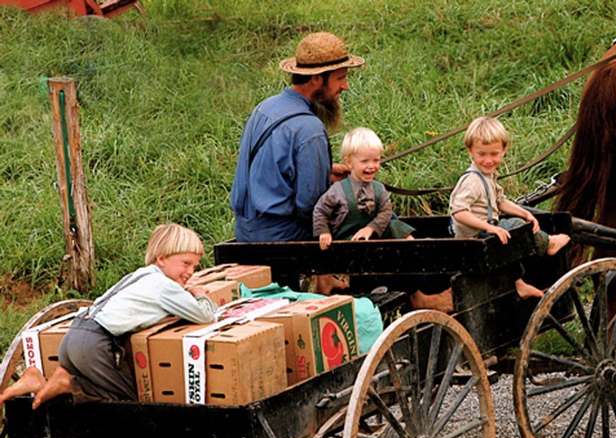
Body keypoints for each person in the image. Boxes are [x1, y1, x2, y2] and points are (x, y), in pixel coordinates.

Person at [0, 223, 218, 409]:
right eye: (186, 263)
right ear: (161, 259)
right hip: (95, 344)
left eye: (195, 266)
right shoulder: (164, 286)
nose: (190, 272)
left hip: (74, 336)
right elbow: (205, 315)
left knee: (101, 388)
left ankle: (38, 381)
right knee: (128, 402)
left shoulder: (138, 276)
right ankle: (68, 383)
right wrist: (199, 294)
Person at [230, 31, 365, 243]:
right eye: (340, 78)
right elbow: (310, 206)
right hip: (281, 236)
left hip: (245, 230)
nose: (345, 86)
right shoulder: (310, 129)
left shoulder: (264, 108)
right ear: (317, 79)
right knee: (364, 220)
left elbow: (267, 173)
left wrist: (325, 174)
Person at [449, 116, 570, 299]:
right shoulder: (472, 181)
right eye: (482, 154)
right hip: (473, 240)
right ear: (470, 151)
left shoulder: (488, 176)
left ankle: (518, 283)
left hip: (483, 236)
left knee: (511, 231)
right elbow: (459, 212)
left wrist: (525, 213)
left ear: (503, 150)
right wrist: (490, 227)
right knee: (514, 227)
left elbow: (500, 201)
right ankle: (549, 243)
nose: (488, 160)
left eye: (494, 154)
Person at [313, 127, 415, 249]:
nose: (371, 166)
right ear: (349, 162)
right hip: (346, 238)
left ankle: (415, 253)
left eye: (376, 160)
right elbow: (320, 211)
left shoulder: (379, 189)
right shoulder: (337, 190)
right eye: (364, 161)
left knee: (397, 228)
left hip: (375, 233)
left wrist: (370, 228)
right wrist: (324, 232)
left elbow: (386, 212)